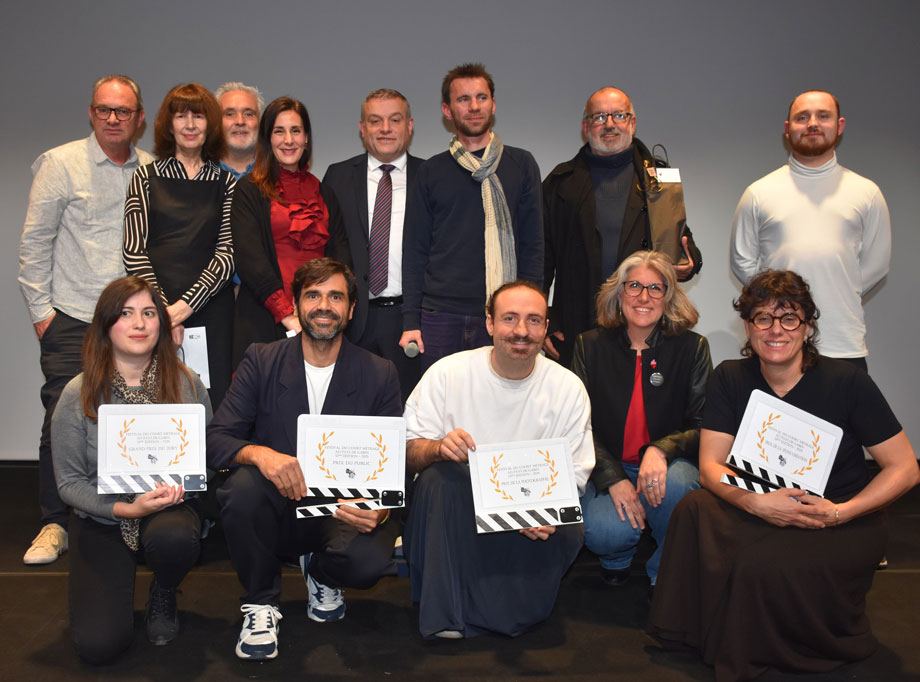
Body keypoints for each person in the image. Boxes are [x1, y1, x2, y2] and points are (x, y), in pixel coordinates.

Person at [649, 270, 919, 682]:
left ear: (808, 326)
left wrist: (840, 513)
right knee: (693, 509)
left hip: (833, 516)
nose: (776, 330)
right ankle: (694, 632)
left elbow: (905, 468)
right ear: (747, 326)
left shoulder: (848, 382)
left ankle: (758, 648)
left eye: (789, 318)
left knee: (761, 563)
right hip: (758, 501)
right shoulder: (730, 377)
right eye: (763, 318)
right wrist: (754, 502)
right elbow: (710, 467)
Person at [207, 258, 401, 661]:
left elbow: (393, 465)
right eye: (313, 295)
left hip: (340, 511)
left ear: (351, 309)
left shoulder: (380, 373)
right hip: (275, 510)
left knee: (367, 563)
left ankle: (321, 572)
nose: (324, 306)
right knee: (241, 489)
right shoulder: (261, 360)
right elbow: (216, 440)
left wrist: (380, 510)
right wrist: (261, 454)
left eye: (336, 296)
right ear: (296, 305)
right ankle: (260, 602)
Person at [403, 280, 594, 639]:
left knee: (570, 526)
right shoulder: (447, 373)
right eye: (510, 318)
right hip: (459, 507)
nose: (521, 331)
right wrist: (438, 447)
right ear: (489, 323)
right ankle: (446, 615)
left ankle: (498, 610)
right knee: (437, 479)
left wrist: (546, 511)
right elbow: (408, 452)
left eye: (533, 320)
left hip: (530, 509)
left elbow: (575, 475)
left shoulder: (569, 389)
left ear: (545, 328)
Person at [18, 74, 153, 565]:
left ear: (139, 118)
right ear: (91, 113)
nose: (113, 119)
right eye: (104, 110)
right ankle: (55, 523)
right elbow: (35, 244)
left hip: (135, 320)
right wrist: (44, 317)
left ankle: (132, 515)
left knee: (137, 417)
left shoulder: (153, 170)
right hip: (73, 316)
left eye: (123, 111)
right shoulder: (60, 164)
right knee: (62, 417)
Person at [51, 276, 212, 662]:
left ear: (162, 324)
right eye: (126, 314)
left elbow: (209, 454)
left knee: (175, 537)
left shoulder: (187, 383)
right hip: (103, 516)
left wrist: (184, 487)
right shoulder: (78, 393)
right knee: (98, 646)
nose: (139, 324)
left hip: (167, 511)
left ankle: (164, 589)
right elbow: (69, 484)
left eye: (149, 313)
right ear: (106, 325)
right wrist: (127, 508)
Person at [572, 251, 710, 590]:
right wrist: (612, 477)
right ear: (619, 293)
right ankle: (616, 557)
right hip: (608, 463)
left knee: (678, 487)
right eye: (634, 286)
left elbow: (702, 424)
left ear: (669, 296)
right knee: (604, 532)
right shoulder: (589, 345)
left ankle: (664, 571)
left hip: (669, 466)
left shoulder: (692, 347)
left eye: (655, 288)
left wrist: (660, 450)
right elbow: (577, 426)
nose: (644, 297)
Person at [543, 86, 703, 367]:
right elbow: (541, 261)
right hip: (575, 326)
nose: (609, 124)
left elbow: (683, 246)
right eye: (599, 117)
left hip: (644, 325)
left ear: (632, 122)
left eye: (619, 115)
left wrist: (689, 264)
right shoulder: (560, 183)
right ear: (585, 127)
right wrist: (544, 319)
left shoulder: (658, 181)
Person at [730, 90, 891, 369]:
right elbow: (742, 261)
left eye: (823, 116)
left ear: (839, 126)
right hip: (778, 344)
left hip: (843, 343)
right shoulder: (758, 193)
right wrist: (778, 303)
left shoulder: (867, 193)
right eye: (802, 117)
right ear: (787, 129)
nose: (813, 124)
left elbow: (876, 266)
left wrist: (839, 289)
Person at [400, 63, 543, 373]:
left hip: (505, 314)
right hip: (440, 316)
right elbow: (414, 251)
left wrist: (532, 314)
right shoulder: (430, 172)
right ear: (447, 110)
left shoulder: (521, 165)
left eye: (481, 97)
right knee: (441, 400)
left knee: (503, 399)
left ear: (493, 104)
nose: (474, 106)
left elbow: (533, 247)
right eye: (463, 99)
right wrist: (411, 320)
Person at [123, 83, 236, 409]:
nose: (190, 125)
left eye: (198, 116)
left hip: (211, 310)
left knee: (211, 403)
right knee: (154, 401)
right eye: (181, 116)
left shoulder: (226, 182)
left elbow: (227, 254)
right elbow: (133, 251)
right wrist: (162, 311)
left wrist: (183, 308)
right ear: (168, 125)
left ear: (210, 125)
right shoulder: (144, 177)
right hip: (152, 311)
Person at [230, 96, 351, 369]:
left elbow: (340, 255)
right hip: (265, 318)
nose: (288, 140)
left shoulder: (324, 192)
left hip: (320, 320)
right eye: (279, 131)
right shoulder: (248, 190)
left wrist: (331, 307)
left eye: (296, 131)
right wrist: (288, 316)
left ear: (306, 138)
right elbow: (250, 259)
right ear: (267, 138)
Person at [323, 89, 424, 402]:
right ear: (362, 128)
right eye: (375, 121)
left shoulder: (430, 176)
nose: (385, 129)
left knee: (409, 410)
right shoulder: (337, 176)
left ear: (409, 126)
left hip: (411, 320)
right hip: (355, 319)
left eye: (395, 120)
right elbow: (328, 249)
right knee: (350, 409)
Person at [215, 81, 263, 181]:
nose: (240, 121)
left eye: (248, 114)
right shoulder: (197, 173)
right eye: (230, 114)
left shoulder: (278, 172)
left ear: (260, 121)